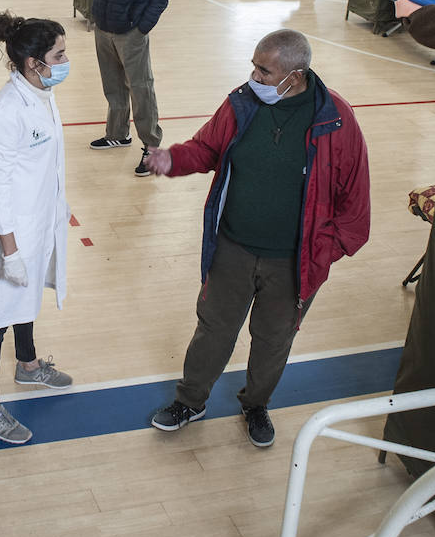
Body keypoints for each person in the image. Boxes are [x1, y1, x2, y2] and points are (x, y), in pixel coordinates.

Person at [143, 29, 370, 448]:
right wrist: (171, 159)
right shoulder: (242, 102)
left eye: (264, 70)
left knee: (273, 340)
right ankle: (190, 401)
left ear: (295, 75)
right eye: (253, 65)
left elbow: (355, 206)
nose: (254, 76)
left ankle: (256, 405)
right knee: (213, 329)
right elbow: (207, 148)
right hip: (232, 248)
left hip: (293, 262)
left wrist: (324, 252)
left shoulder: (336, 120)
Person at [0, 12, 75, 445]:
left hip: (40, 221)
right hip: (14, 229)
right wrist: (10, 251)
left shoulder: (40, 92)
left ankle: (28, 365)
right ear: (35, 63)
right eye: (60, 54)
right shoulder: (7, 111)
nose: (66, 60)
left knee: (28, 296)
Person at [89, 0, 171, 177]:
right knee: (113, 85)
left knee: (141, 88)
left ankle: (151, 146)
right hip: (104, 24)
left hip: (131, 31)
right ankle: (117, 133)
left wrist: (142, 26)